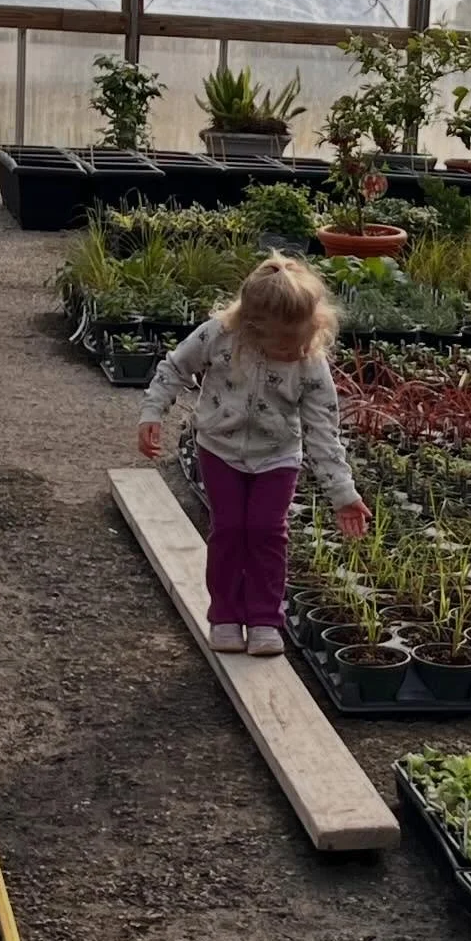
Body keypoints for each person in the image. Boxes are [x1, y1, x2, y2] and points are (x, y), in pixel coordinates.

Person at [136, 253, 371, 657]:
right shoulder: (217, 336)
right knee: (228, 529)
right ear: (250, 325)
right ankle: (225, 616)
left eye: (294, 340)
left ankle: (265, 619)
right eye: (278, 341)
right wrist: (152, 412)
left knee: (266, 531)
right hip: (219, 449)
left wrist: (343, 493)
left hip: (277, 456)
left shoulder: (309, 361)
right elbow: (175, 367)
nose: (287, 349)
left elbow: (323, 431)